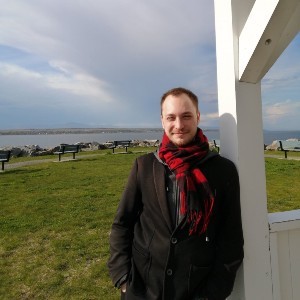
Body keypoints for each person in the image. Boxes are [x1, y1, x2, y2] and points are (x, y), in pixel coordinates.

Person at [107, 87, 244, 300]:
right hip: (142, 289)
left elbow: (231, 239)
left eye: (186, 116)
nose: (179, 125)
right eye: (171, 117)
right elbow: (122, 223)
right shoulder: (144, 167)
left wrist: (214, 293)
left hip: (196, 290)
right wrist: (122, 277)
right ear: (162, 120)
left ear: (198, 117)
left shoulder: (222, 171)